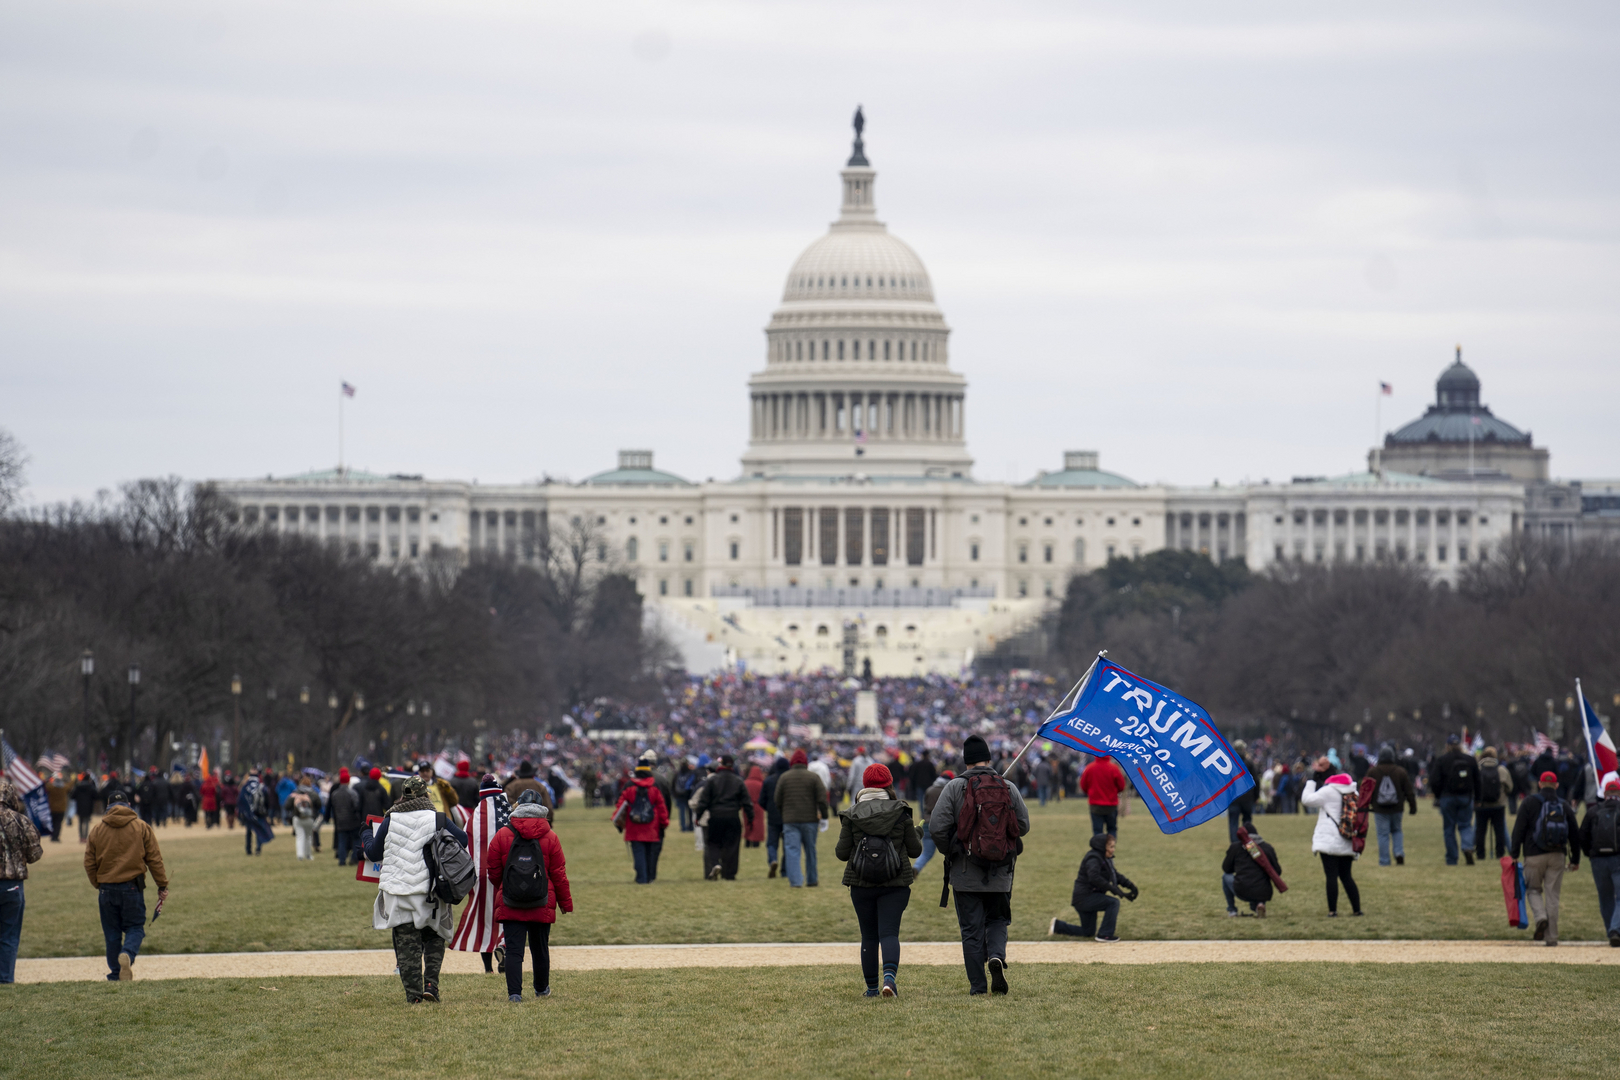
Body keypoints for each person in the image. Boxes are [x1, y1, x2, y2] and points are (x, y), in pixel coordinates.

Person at [930, 734, 1030, 996]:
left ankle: (978, 986)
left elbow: (937, 827)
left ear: (966, 761)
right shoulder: (1007, 786)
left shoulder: (954, 787)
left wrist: (951, 851)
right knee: (997, 921)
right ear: (988, 758)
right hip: (1001, 870)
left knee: (971, 931)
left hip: (965, 871)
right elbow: (1024, 826)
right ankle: (996, 955)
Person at [360, 776, 468, 1003]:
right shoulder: (437, 818)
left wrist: (366, 834)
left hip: (399, 891)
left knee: (407, 943)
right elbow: (463, 840)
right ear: (425, 794)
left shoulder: (391, 819)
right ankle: (431, 985)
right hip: (431, 891)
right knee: (434, 937)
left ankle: (413, 995)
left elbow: (374, 853)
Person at [835, 763, 921, 998]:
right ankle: (889, 980)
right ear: (888, 784)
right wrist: (915, 832)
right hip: (895, 882)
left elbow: (841, 853)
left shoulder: (852, 814)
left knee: (869, 936)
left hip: (861, 883)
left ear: (864, 785)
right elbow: (915, 851)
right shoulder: (901, 811)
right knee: (889, 934)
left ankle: (872, 988)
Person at [483, 790, 573, 1002]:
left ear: (518, 807)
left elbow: (493, 870)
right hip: (542, 899)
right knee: (539, 948)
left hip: (511, 900)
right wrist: (565, 902)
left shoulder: (502, 834)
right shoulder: (550, 836)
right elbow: (559, 873)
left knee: (514, 951)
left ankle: (515, 994)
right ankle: (541, 989)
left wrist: (506, 886)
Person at [82, 788, 168, 981]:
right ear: (129, 805)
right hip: (131, 887)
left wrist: (98, 883)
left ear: (108, 807)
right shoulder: (141, 827)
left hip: (106, 889)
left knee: (111, 933)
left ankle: (115, 973)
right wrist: (162, 884)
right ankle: (128, 954)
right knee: (135, 927)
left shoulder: (97, 830)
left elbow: (89, 862)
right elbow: (154, 859)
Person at [451, 774, 512, 974]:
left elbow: (465, 848)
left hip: (480, 874)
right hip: (505, 875)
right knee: (507, 916)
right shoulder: (509, 815)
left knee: (484, 921)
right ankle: (503, 946)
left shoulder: (473, 818)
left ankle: (488, 968)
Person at [1510, 771, 1579, 946]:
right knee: (1552, 896)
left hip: (1533, 855)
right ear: (1556, 786)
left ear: (1539, 784)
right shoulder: (1564, 805)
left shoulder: (1529, 802)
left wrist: (1514, 853)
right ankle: (1552, 937)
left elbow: (1518, 830)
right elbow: (1574, 834)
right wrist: (1575, 859)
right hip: (1557, 856)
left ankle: (1540, 917)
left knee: (1533, 890)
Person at [1051, 832, 1136, 941]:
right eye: (1111, 847)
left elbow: (1115, 875)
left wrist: (1131, 886)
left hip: (1086, 899)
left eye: (1114, 846)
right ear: (1102, 847)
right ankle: (1105, 934)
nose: (1113, 849)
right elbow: (1094, 877)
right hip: (1084, 898)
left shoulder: (1105, 859)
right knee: (1113, 903)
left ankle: (1058, 926)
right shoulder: (1093, 859)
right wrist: (1114, 889)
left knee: (1088, 932)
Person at [0, 779, 44, 983]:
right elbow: (35, 854)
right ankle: (5, 980)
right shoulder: (21, 821)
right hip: (12, 885)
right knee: (8, 935)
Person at [1302, 771, 1362, 917]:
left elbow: (1307, 800)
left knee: (1331, 876)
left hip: (1329, 839)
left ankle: (1332, 910)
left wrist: (1311, 782)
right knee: (1347, 876)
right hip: (1347, 838)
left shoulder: (1328, 791)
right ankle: (1356, 909)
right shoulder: (1354, 792)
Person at [692, 754, 754, 881]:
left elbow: (704, 801)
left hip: (715, 816)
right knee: (732, 846)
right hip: (733, 817)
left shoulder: (712, 781)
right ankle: (729, 873)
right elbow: (747, 802)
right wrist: (750, 818)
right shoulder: (738, 781)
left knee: (713, 843)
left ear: (721, 765)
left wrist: (698, 816)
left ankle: (715, 864)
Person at [775, 748, 828, 888]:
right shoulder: (813, 777)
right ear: (805, 762)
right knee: (810, 850)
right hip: (810, 819)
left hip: (790, 820)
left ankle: (796, 881)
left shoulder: (784, 777)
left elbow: (777, 799)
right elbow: (822, 799)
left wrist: (783, 813)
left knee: (792, 851)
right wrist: (824, 817)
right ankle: (812, 879)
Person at [613, 756, 670, 884]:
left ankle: (641, 878)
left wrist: (617, 822)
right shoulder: (654, 788)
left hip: (634, 826)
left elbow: (620, 806)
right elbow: (662, 807)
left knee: (638, 853)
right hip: (652, 827)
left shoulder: (629, 787)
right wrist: (664, 823)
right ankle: (649, 877)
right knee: (649, 853)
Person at [1579, 777, 1620, 947]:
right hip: (1618, 858)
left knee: (1605, 898)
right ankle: (1615, 929)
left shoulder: (1593, 811)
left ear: (1604, 793)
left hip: (1598, 860)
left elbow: (1583, 835)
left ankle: (1610, 929)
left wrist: (1589, 853)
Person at [1432, 734, 1481, 866]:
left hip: (1447, 797)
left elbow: (1435, 780)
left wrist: (1438, 796)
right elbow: (1478, 781)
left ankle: (1452, 858)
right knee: (1465, 825)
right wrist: (1478, 798)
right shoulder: (1470, 760)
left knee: (1449, 829)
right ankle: (1467, 847)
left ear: (1447, 746)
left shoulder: (1442, 760)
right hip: (1466, 797)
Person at [1364, 746, 1417, 866]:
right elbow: (1409, 791)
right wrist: (1412, 806)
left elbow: (1366, 790)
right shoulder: (1400, 771)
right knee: (1397, 831)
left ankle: (1384, 860)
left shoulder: (1373, 772)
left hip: (1379, 809)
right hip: (1397, 808)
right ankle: (1398, 853)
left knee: (1383, 834)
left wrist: (1364, 806)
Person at [1222, 826, 1282, 917]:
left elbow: (1226, 868)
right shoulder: (1267, 848)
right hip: (1263, 891)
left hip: (1241, 888)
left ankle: (1232, 910)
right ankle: (1260, 904)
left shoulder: (1235, 847)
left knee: (1225, 876)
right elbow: (1277, 871)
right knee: (1259, 882)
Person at [1473, 747, 1513, 861]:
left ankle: (1480, 854)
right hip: (1498, 805)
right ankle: (1499, 853)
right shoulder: (1502, 770)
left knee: (1480, 830)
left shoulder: (1478, 769)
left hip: (1481, 805)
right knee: (1499, 830)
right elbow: (1510, 787)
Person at [913, 770, 954, 873]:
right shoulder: (949, 790)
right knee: (952, 852)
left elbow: (924, 807)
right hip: (944, 824)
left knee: (926, 853)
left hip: (927, 823)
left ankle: (916, 867)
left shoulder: (929, 790)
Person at [1079, 754, 1126, 836]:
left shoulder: (1089, 768)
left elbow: (1083, 785)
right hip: (1111, 804)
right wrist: (1114, 792)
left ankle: (1098, 848)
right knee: (1111, 829)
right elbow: (1121, 786)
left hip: (1095, 804)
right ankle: (1110, 848)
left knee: (1097, 831)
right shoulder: (1114, 768)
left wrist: (1091, 793)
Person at [761, 757, 789, 877]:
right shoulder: (789, 780)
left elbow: (761, 800)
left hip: (773, 817)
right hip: (788, 816)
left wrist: (769, 809)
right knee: (788, 845)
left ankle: (773, 860)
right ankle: (784, 870)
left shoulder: (768, 780)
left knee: (772, 843)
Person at [328, 768, 363, 865]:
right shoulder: (352, 793)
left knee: (342, 841)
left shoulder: (335, 794)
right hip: (352, 820)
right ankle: (354, 858)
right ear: (348, 781)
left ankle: (341, 860)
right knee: (356, 840)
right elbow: (356, 806)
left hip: (340, 820)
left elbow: (334, 806)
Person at [1226, 741, 1258, 842]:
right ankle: (1247, 843)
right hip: (1247, 798)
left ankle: (1235, 845)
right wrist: (1256, 796)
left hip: (1234, 797)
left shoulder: (1229, 763)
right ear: (1244, 749)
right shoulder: (1249, 763)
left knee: (1233, 822)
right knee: (1247, 822)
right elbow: (1256, 780)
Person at [238, 770, 274, 855]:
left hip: (248, 813)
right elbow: (267, 799)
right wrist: (267, 811)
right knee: (259, 829)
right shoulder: (261, 786)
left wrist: (241, 812)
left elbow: (240, 800)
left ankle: (248, 849)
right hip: (259, 812)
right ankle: (258, 848)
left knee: (249, 831)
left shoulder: (245, 786)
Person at [285, 775, 321, 860]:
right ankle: (308, 855)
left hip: (297, 817)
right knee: (308, 837)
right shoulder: (313, 793)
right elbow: (319, 805)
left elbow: (287, 806)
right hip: (309, 818)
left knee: (299, 836)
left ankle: (300, 855)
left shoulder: (295, 793)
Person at [743, 765, 767, 849]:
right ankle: (756, 842)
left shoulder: (746, 783)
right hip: (758, 806)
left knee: (748, 823)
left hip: (747, 805)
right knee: (758, 825)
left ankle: (747, 841)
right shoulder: (761, 784)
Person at [71, 772, 98, 842]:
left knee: (80, 822)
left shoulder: (78, 786)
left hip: (79, 805)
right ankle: (85, 837)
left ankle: (81, 837)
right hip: (88, 806)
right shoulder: (91, 787)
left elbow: (72, 796)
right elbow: (96, 796)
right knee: (86, 822)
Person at [44, 771, 67, 843]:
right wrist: (73, 778)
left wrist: (46, 779)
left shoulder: (51, 787)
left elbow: (45, 785)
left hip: (52, 808)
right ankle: (56, 836)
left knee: (53, 823)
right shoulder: (64, 788)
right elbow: (70, 785)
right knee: (58, 823)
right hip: (61, 808)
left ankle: (53, 836)